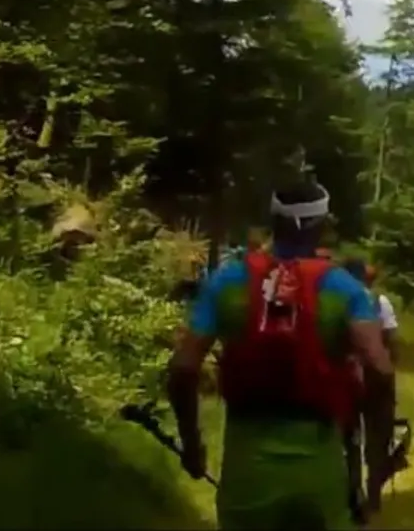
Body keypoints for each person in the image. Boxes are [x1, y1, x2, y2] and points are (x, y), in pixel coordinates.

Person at [167, 183, 396, 531]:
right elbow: (380, 369)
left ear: (272, 221)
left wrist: (192, 446)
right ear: (323, 224)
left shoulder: (227, 281)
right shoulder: (345, 289)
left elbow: (184, 367)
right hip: (320, 479)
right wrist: (375, 467)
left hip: (247, 476)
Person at [336, 259, 400, 525]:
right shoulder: (378, 302)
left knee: (349, 439)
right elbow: (392, 338)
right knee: (378, 436)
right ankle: (373, 493)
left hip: (345, 375)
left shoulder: (334, 301)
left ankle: (353, 493)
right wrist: (390, 367)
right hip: (376, 375)